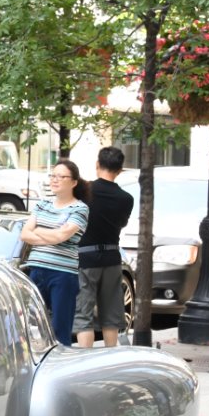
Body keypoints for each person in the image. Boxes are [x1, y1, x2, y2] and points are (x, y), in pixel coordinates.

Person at [20, 158, 90, 346]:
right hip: (37, 270)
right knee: (31, 325)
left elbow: (63, 236)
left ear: (74, 182)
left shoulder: (80, 208)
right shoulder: (42, 205)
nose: (55, 180)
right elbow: (24, 234)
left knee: (60, 328)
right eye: (53, 175)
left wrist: (40, 231)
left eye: (61, 176)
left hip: (63, 274)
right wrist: (52, 234)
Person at [75, 147, 136, 348]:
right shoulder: (126, 199)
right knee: (111, 314)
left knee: (84, 314)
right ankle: (110, 357)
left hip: (85, 257)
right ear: (120, 170)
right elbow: (122, 223)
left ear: (97, 165)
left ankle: (85, 359)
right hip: (112, 257)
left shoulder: (85, 191)